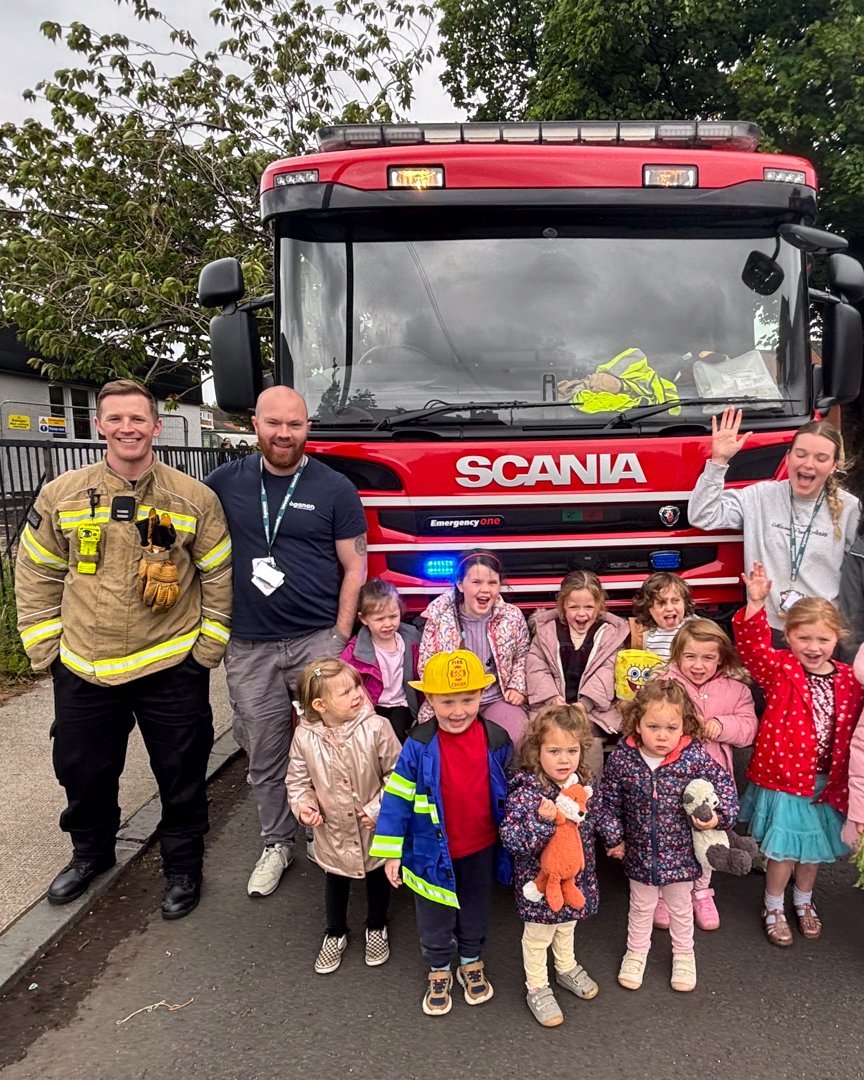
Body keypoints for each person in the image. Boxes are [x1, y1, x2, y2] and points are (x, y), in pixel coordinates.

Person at [15, 379, 233, 919]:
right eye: (115, 418)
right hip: (84, 665)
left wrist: (205, 652)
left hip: (170, 664)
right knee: (82, 771)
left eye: (138, 418)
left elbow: (218, 576)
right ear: (100, 426)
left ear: (156, 426)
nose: (127, 428)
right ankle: (91, 854)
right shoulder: (62, 494)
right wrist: (47, 651)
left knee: (181, 773)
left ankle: (183, 866)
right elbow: (37, 573)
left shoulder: (193, 498)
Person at [206, 386, 367, 898]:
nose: (283, 434)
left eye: (294, 425)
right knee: (264, 751)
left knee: (336, 744)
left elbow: (355, 566)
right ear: (254, 424)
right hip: (249, 646)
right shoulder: (222, 485)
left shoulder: (335, 488)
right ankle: (277, 842)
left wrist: (340, 635)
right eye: (273, 423)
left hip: (316, 642)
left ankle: (334, 834)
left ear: (307, 428)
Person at [370, 649, 512, 1016]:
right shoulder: (417, 745)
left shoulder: (497, 739)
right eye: (447, 702)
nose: (458, 711)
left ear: (481, 695)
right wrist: (391, 851)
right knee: (433, 911)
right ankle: (438, 966)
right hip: (429, 851)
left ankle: (470, 959)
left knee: (475, 905)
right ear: (429, 700)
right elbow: (397, 799)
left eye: (468, 700)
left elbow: (510, 791)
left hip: (481, 847)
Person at [732, 561, 864, 946]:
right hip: (786, 782)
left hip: (826, 783)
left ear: (837, 639)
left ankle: (803, 900)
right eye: (804, 637)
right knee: (785, 852)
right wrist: (756, 604)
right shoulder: (780, 669)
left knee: (813, 853)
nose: (813, 647)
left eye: (823, 639)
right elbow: (752, 648)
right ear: (788, 636)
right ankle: (773, 905)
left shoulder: (850, 679)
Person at [593, 680, 739, 992]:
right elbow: (606, 803)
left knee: (681, 909)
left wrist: (718, 817)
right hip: (639, 854)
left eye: (671, 728)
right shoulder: (623, 759)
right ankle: (635, 953)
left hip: (682, 854)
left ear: (684, 726)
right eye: (653, 726)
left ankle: (684, 955)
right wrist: (613, 838)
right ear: (637, 723)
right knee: (640, 907)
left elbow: (725, 787)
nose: (662, 735)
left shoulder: (693, 757)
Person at [689, 409, 858, 640]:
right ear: (787, 458)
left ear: (833, 466)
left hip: (821, 637)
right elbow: (702, 515)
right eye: (801, 454)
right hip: (768, 629)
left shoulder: (850, 509)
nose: (808, 464)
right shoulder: (759, 496)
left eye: (821, 459)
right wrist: (718, 461)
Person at [285, 659, 401, 973]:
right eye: (346, 692)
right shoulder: (305, 737)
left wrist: (377, 809)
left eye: (356, 686)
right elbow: (298, 781)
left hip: (372, 826)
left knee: (377, 874)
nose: (357, 694)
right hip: (332, 828)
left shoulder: (377, 727)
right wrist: (305, 807)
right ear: (320, 705)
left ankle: (376, 924)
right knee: (335, 877)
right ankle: (335, 931)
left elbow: (398, 775)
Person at [499, 703, 599, 1028]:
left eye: (572, 750)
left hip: (574, 879)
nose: (564, 759)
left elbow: (592, 823)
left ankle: (566, 966)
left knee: (568, 925)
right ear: (536, 751)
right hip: (539, 884)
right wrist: (543, 823)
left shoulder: (582, 785)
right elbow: (513, 839)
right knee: (538, 936)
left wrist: (611, 835)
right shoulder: (527, 792)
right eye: (554, 751)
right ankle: (537, 986)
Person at [655, 619, 757, 930]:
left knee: (707, 833)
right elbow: (647, 719)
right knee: (670, 836)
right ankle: (664, 893)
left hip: (713, 782)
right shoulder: (664, 684)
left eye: (708, 658)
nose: (698, 665)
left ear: (721, 658)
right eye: (690, 656)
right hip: (670, 777)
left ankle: (701, 892)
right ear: (677, 655)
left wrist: (722, 725)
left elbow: (749, 729)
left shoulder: (736, 690)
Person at [417, 550, 530, 745]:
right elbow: (426, 666)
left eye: (492, 583)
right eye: (476, 582)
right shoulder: (438, 619)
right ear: (460, 584)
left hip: (496, 698)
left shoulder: (512, 617)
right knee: (442, 743)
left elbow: (523, 654)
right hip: (454, 701)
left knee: (514, 736)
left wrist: (517, 686)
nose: (485, 590)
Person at [526, 570, 629, 777]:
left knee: (589, 740)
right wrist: (552, 698)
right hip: (552, 706)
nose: (581, 614)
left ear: (599, 606)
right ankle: (544, 788)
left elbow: (608, 671)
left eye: (589, 607)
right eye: (573, 607)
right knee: (541, 737)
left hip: (591, 710)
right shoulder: (547, 631)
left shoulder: (610, 634)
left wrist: (584, 704)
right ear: (562, 606)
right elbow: (537, 667)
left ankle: (589, 788)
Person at [340, 578, 421, 743]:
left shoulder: (411, 641)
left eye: (393, 616)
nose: (388, 624)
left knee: (396, 740)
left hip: (401, 705)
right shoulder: (355, 651)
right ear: (364, 619)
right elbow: (342, 681)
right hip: (370, 708)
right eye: (379, 619)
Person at [629, 572, 696, 661]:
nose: (669, 608)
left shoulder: (696, 627)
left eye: (675, 601)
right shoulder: (643, 634)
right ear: (649, 608)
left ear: (685, 603)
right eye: (661, 603)